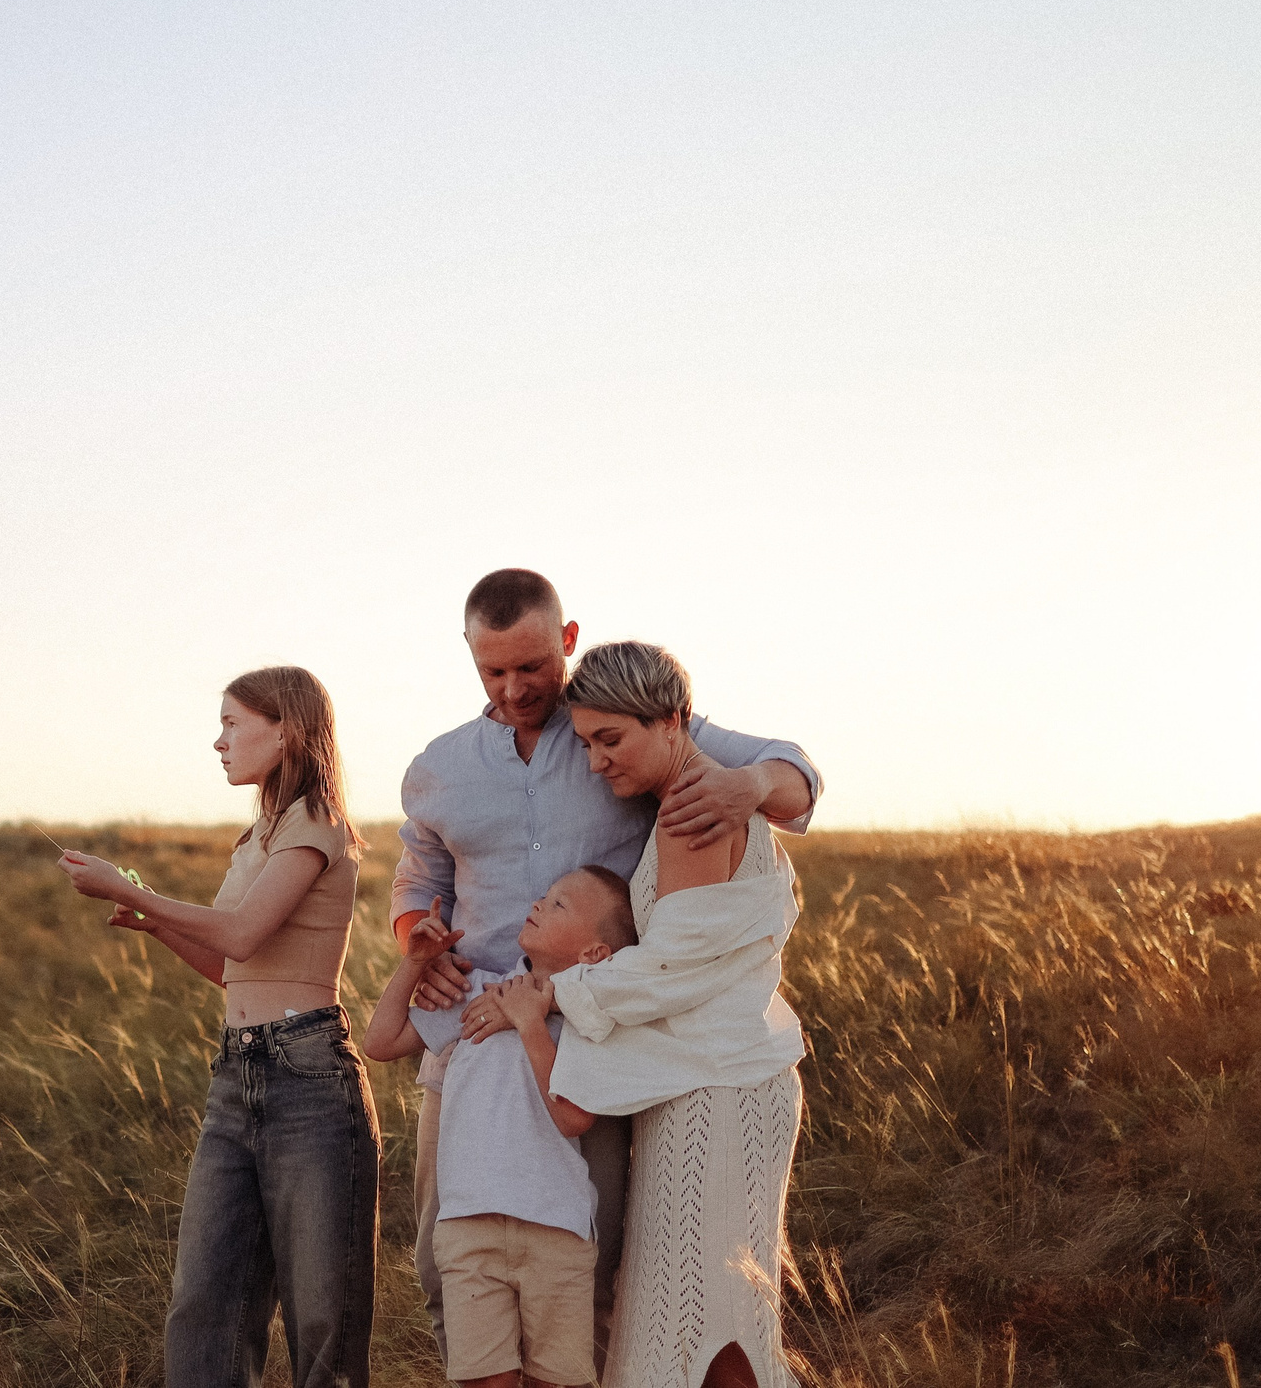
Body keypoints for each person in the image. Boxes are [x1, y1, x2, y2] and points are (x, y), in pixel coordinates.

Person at [393, 570, 821, 1371]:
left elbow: (788, 770)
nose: (517, 688)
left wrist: (752, 782)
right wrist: (421, 937)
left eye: (532, 666)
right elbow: (418, 876)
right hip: (471, 1048)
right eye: (494, 671)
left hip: (602, 1048)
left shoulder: (619, 718)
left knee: (601, 1268)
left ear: (567, 640)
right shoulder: (442, 766)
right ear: (470, 656)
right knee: (447, 1267)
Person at [501, 641, 810, 1388]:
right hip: (719, 1077)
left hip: (719, 1096)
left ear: (673, 721)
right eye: (586, 743)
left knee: (713, 1327)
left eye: (612, 739)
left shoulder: (690, 809)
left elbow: (671, 971)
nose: (598, 761)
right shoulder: (705, 793)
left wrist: (557, 995)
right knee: (709, 1314)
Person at [58, 666, 377, 1388]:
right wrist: (150, 922)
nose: (218, 740)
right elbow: (233, 964)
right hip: (236, 1075)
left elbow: (240, 930)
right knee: (205, 1309)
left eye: (233, 723)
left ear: (287, 728)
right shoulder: (254, 835)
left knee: (323, 1324)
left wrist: (127, 884)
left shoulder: (317, 822)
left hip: (309, 1080)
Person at [364, 867, 640, 1388]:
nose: (538, 902)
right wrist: (415, 964)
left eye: (560, 905)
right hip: (470, 1226)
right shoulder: (477, 991)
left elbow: (574, 1117)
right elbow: (380, 1043)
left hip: (555, 1233)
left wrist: (531, 1020)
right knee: (484, 1379)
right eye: (544, 893)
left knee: (555, 1380)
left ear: (594, 954)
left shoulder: (591, 1020)